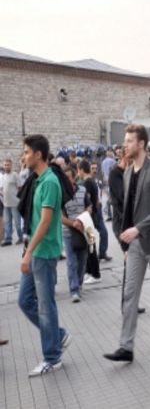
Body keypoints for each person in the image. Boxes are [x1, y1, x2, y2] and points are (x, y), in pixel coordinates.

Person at [104, 124, 150, 363]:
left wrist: (138, 229)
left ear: (142, 144)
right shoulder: (126, 173)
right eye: (125, 141)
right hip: (134, 244)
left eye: (129, 141)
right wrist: (126, 243)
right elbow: (127, 211)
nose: (124, 145)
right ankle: (126, 346)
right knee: (129, 294)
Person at [18, 134, 72, 376]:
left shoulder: (49, 182)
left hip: (44, 252)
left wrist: (28, 253)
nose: (24, 156)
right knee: (24, 300)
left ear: (38, 154)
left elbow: (47, 220)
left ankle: (52, 357)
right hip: (36, 251)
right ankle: (58, 335)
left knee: (45, 306)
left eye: (27, 152)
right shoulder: (39, 180)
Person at [61, 165, 91, 303]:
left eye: (69, 178)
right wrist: (73, 223)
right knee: (72, 262)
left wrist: (82, 219)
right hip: (68, 232)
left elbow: (89, 206)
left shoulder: (83, 190)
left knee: (82, 260)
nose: (67, 180)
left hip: (84, 230)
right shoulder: (60, 194)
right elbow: (59, 216)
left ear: (74, 178)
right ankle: (74, 290)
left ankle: (78, 284)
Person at [79, 160, 111, 262]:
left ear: (82, 170)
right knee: (93, 235)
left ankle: (99, 254)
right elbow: (87, 200)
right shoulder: (88, 182)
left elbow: (89, 198)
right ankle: (94, 256)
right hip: (92, 213)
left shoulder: (90, 181)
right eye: (93, 168)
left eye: (78, 170)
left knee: (99, 233)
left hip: (94, 212)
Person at [2, 158, 24, 246]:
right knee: (7, 222)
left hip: (15, 203)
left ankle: (21, 237)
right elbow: (3, 189)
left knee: (17, 222)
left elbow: (20, 187)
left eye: (8, 165)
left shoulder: (15, 175)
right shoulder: (3, 176)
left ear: (11, 165)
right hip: (6, 203)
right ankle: (8, 239)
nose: (6, 166)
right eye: (5, 165)